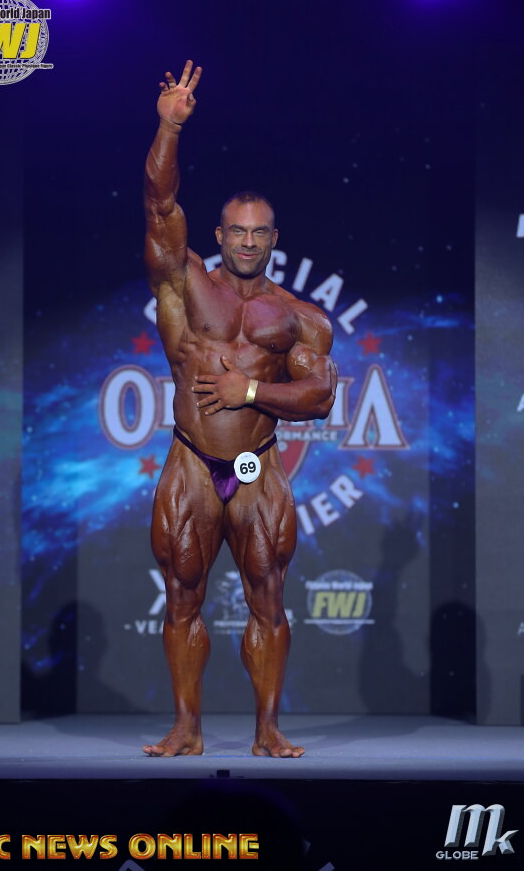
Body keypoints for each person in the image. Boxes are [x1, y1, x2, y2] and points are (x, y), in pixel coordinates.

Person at [142, 61, 337, 757]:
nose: (248, 242)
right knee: (182, 594)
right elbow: (160, 204)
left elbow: (320, 397)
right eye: (237, 231)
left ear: (274, 239)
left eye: (260, 233)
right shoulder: (184, 282)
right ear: (219, 236)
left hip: (257, 467)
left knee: (268, 596)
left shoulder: (301, 320)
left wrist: (250, 392)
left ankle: (267, 730)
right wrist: (169, 128)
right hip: (193, 462)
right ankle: (186, 728)